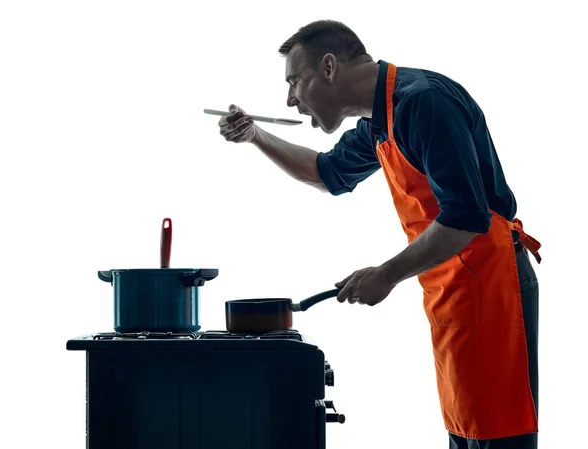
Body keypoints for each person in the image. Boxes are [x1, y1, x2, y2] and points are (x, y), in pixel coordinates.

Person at [216, 20, 541, 449]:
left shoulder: (422, 102)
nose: (290, 99)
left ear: (329, 67)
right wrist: (256, 135)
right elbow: (326, 173)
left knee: (497, 435)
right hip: (452, 287)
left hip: (492, 284)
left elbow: (465, 217)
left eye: (295, 81)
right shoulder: (380, 118)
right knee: (467, 432)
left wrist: (385, 274)